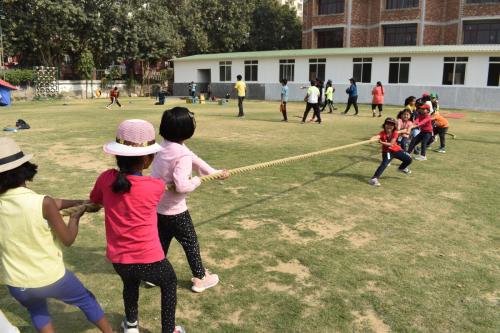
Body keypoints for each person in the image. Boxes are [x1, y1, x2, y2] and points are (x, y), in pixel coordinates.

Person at [0, 137, 113, 333]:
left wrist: (80, 201)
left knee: (37, 310)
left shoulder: (38, 202)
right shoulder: (42, 203)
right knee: (86, 299)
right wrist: (76, 217)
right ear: (24, 170)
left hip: (17, 284)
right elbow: (68, 239)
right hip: (51, 278)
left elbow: (54, 203)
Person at [89, 120, 185, 333]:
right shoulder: (155, 186)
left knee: (130, 284)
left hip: (119, 260)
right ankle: (168, 330)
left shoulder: (106, 178)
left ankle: (131, 324)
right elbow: (175, 187)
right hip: (149, 259)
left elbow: (95, 199)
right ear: (146, 158)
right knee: (169, 283)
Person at [152, 107, 229, 293]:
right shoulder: (181, 153)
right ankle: (201, 278)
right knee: (190, 242)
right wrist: (197, 180)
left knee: (161, 242)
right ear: (187, 130)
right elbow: (182, 186)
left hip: (159, 208)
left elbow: (195, 159)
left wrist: (214, 173)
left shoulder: (163, 146)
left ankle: (152, 275)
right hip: (176, 211)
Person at [369, 118, 412, 186]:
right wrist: (371, 139)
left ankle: (401, 168)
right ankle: (374, 179)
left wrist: (381, 142)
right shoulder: (382, 133)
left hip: (396, 150)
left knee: (408, 159)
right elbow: (377, 136)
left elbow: (391, 144)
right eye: (388, 124)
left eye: (391, 124)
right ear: (384, 124)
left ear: (394, 126)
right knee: (384, 164)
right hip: (387, 152)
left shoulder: (395, 133)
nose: (389, 126)